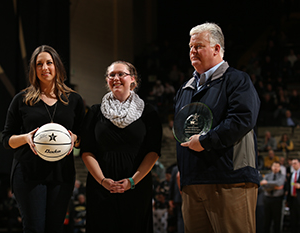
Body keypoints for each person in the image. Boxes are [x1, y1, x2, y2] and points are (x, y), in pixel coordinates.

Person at [174, 22, 260, 233]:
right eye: (191, 47)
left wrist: (205, 142)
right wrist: (183, 172)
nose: (193, 51)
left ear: (217, 48)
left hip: (230, 181)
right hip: (193, 183)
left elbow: (242, 119)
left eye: (199, 46)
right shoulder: (185, 89)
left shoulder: (238, 80)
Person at [2, 45, 85, 233]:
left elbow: (84, 138)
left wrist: (75, 139)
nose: (44, 68)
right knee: (34, 228)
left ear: (57, 66)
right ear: (34, 69)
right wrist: (26, 137)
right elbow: (6, 139)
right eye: (39, 64)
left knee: (54, 229)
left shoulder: (74, 100)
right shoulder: (21, 99)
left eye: (49, 63)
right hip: (28, 172)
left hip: (61, 173)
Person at [81, 60, 162, 233]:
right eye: (111, 75)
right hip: (101, 188)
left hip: (137, 187)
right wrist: (103, 181)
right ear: (107, 81)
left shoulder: (149, 113)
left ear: (133, 80)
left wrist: (132, 181)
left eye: (121, 74)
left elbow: (153, 151)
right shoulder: (95, 112)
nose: (116, 78)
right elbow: (87, 151)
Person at [260, 161, 286, 233]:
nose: (275, 168)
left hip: (277, 200)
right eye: (274, 166)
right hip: (267, 199)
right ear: (271, 167)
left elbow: (279, 183)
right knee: (266, 220)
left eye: (277, 166)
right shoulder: (267, 175)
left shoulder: (282, 176)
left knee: (277, 220)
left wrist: (267, 183)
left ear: (279, 168)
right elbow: (263, 186)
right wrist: (275, 187)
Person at [286, 158, 300, 233]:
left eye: (295, 163)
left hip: (299, 199)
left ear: (299, 164)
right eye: (292, 164)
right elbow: (289, 187)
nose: (293, 165)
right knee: (293, 219)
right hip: (292, 199)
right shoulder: (291, 174)